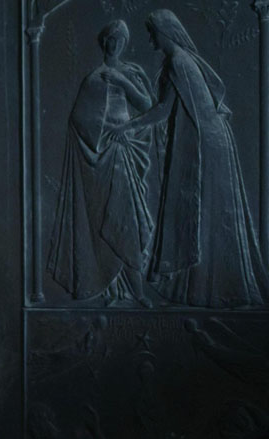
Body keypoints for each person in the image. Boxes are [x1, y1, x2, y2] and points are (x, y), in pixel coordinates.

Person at [111, 10, 269, 307]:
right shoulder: (182, 60)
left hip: (203, 146)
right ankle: (199, 288)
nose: (150, 38)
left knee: (203, 212)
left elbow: (163, 111)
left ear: (165, 32)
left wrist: (127, 126)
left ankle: (210, 290)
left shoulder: (179, 63)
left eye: (152, 32)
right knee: (204, 213)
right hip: (208, 141)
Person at [47, 19, 154, 306]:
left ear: (125, 43)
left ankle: (137, 290)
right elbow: (78, 118)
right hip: (101, 156)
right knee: (104, 219)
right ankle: (112, 287)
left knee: (127, 219)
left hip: (125, 153)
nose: (115, 44)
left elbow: (147, 106)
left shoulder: (131, 73)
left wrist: (123, 84)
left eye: (120, 39)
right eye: (110, 39)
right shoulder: (93, 78)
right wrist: (98, 139)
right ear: (103, 42)